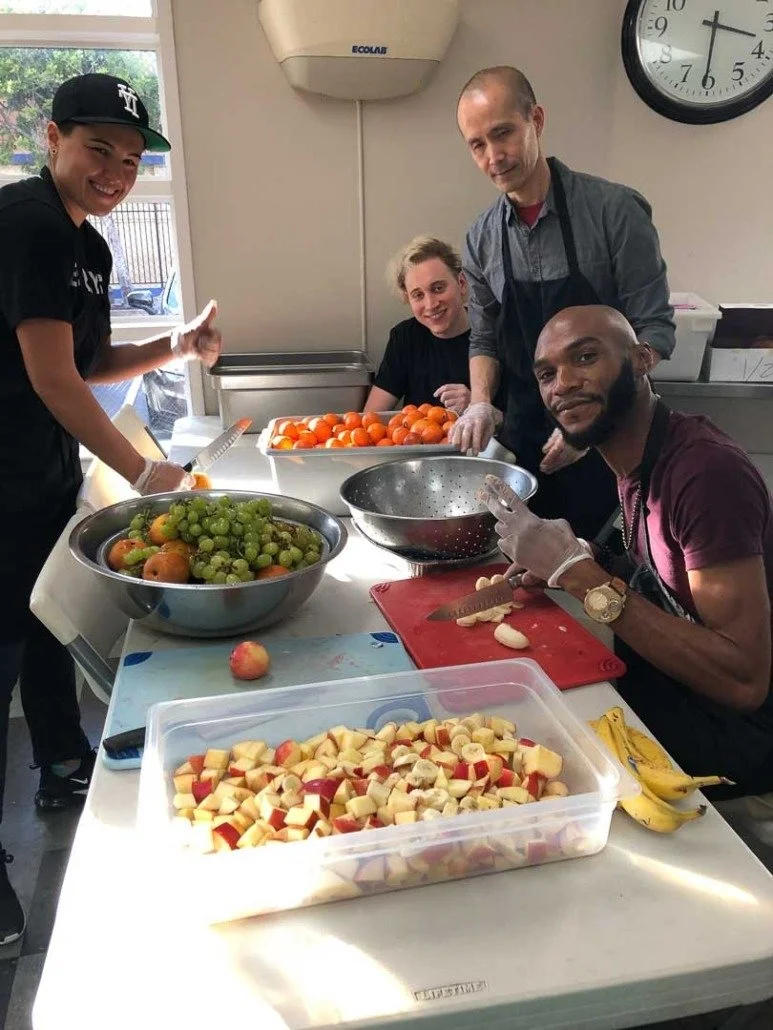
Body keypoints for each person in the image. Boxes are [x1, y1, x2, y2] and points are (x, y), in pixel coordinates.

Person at [0, 73, 222, 944]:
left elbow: (86, 362)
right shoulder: (23, 225)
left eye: (131, 160)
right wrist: (141, 469)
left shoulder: (87, 247)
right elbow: (49, 377)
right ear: (52, 138)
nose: (117, 172)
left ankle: (60, 763)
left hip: (40, 478)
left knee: (47, 629)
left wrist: (178, 343)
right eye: (100, 151)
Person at [481, 304, 773, 797]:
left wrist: (578, 574)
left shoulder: (705, 475)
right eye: (547, 373)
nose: (563, 384)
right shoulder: (631, 457)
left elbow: (744, 682)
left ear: (642, 360)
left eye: (586, 357)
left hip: (735, 739)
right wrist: (582, 555)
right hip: (668, 685)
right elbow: (662, 576)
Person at [451, 65, 675, 540]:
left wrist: (587, 425)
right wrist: (482, 404)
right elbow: (485, 336)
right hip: (527, 441)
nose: (494, 156)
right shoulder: (481, 239)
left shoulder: (614, 212)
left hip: (616, 442)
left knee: (609, 580)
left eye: (503, 133)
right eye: (477, 145)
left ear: (536, 119)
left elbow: (653, 331)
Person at [364, 236, 473, 415]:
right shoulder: (406, 337)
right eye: (418, 295)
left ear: (461, 283)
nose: (430, 304)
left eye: (438, 288)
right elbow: (370, 419)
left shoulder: (495, 334)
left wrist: (478, 406)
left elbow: (524, 422)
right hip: (419, 442)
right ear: (408, 299)